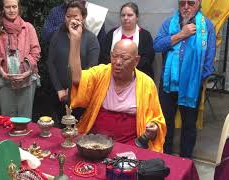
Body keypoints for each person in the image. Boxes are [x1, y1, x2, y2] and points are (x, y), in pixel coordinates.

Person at [67, 17, 166, 152]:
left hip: (131, 143)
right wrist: (75, 40)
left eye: (124, 58)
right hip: (96, 139)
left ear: (136, 61)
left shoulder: (146, 83)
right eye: (114, 56)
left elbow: (156, 119)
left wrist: (154, 127)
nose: (117, 62)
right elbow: (77, 78)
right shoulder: (102, 72)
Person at [153, 0, 216, 158]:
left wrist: (197, 81)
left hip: (192, 85)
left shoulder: (206, 26)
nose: (186, 7)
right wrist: (182, 34)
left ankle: (185, 159)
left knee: (189, 125)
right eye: (182, 3)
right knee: (166, 122)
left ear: (199, 4)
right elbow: (157, 45)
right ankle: (164, 157)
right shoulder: (169, 23)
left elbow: (209, 59)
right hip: (168, 85)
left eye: (191, 3)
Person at [46, 0, 100, 125]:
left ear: (83, 18)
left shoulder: (91, 39)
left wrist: (74, 91)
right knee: (60, 130)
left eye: (75, 16)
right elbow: (51, 63)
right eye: (68, 16)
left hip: (81, 97)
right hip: (60, 95)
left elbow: (91, 70)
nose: (71, 19)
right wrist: (59, 89)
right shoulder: (57, 36)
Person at [0, 0, 41, 118]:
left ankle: (23, 137)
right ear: (3, 9)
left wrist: (27, 72)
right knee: (7, 117)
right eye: (8, 7)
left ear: (18, 8)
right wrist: (2, 72)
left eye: (14, 7)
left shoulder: (28, 28)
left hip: (27, 79)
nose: (11, 10)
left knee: (25, 118)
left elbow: (35, 51)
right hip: (3, 79)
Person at [99, 2, 155, 78]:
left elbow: (147, 59)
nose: (125, 18)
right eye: (123, 15)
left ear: (137, 17)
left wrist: (128, 71)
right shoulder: (111, 34)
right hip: (112, 76)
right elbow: (104, 56)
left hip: (138, 77)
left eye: (130, 15)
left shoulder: (145, 36)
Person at [41, 0, 106, 46]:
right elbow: (45, 36)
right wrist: (66, 26)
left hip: (85, 61)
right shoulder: (55, 11)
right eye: (68, 16)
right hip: (59, 58)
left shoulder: (96, 14)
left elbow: (101, 45)